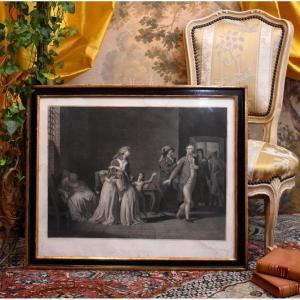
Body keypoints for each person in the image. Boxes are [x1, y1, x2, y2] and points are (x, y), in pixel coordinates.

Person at [164, 144, 198, 222]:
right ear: (186, 150)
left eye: (192, 149)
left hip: (193, 182)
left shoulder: (194, 159)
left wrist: (197, 167)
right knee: (189, 201)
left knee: (187, 201)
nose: (190, 150)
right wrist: (170, 179)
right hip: (185, 183)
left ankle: (178, 214)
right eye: (189, 149)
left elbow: (198, 166)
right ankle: (187, 218)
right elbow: (176, 170)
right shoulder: (183, 159)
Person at [158, 145, 177, 212]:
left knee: (171, 193)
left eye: (172, 152)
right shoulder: (162, 160)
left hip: (170, 179)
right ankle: (161, 210)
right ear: (167, 152)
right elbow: (167, 170)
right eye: (171, 151)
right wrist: (176, 164)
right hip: (164, 179)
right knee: (164, 194)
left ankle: (170, 210)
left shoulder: (173, 159)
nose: (172, 153)